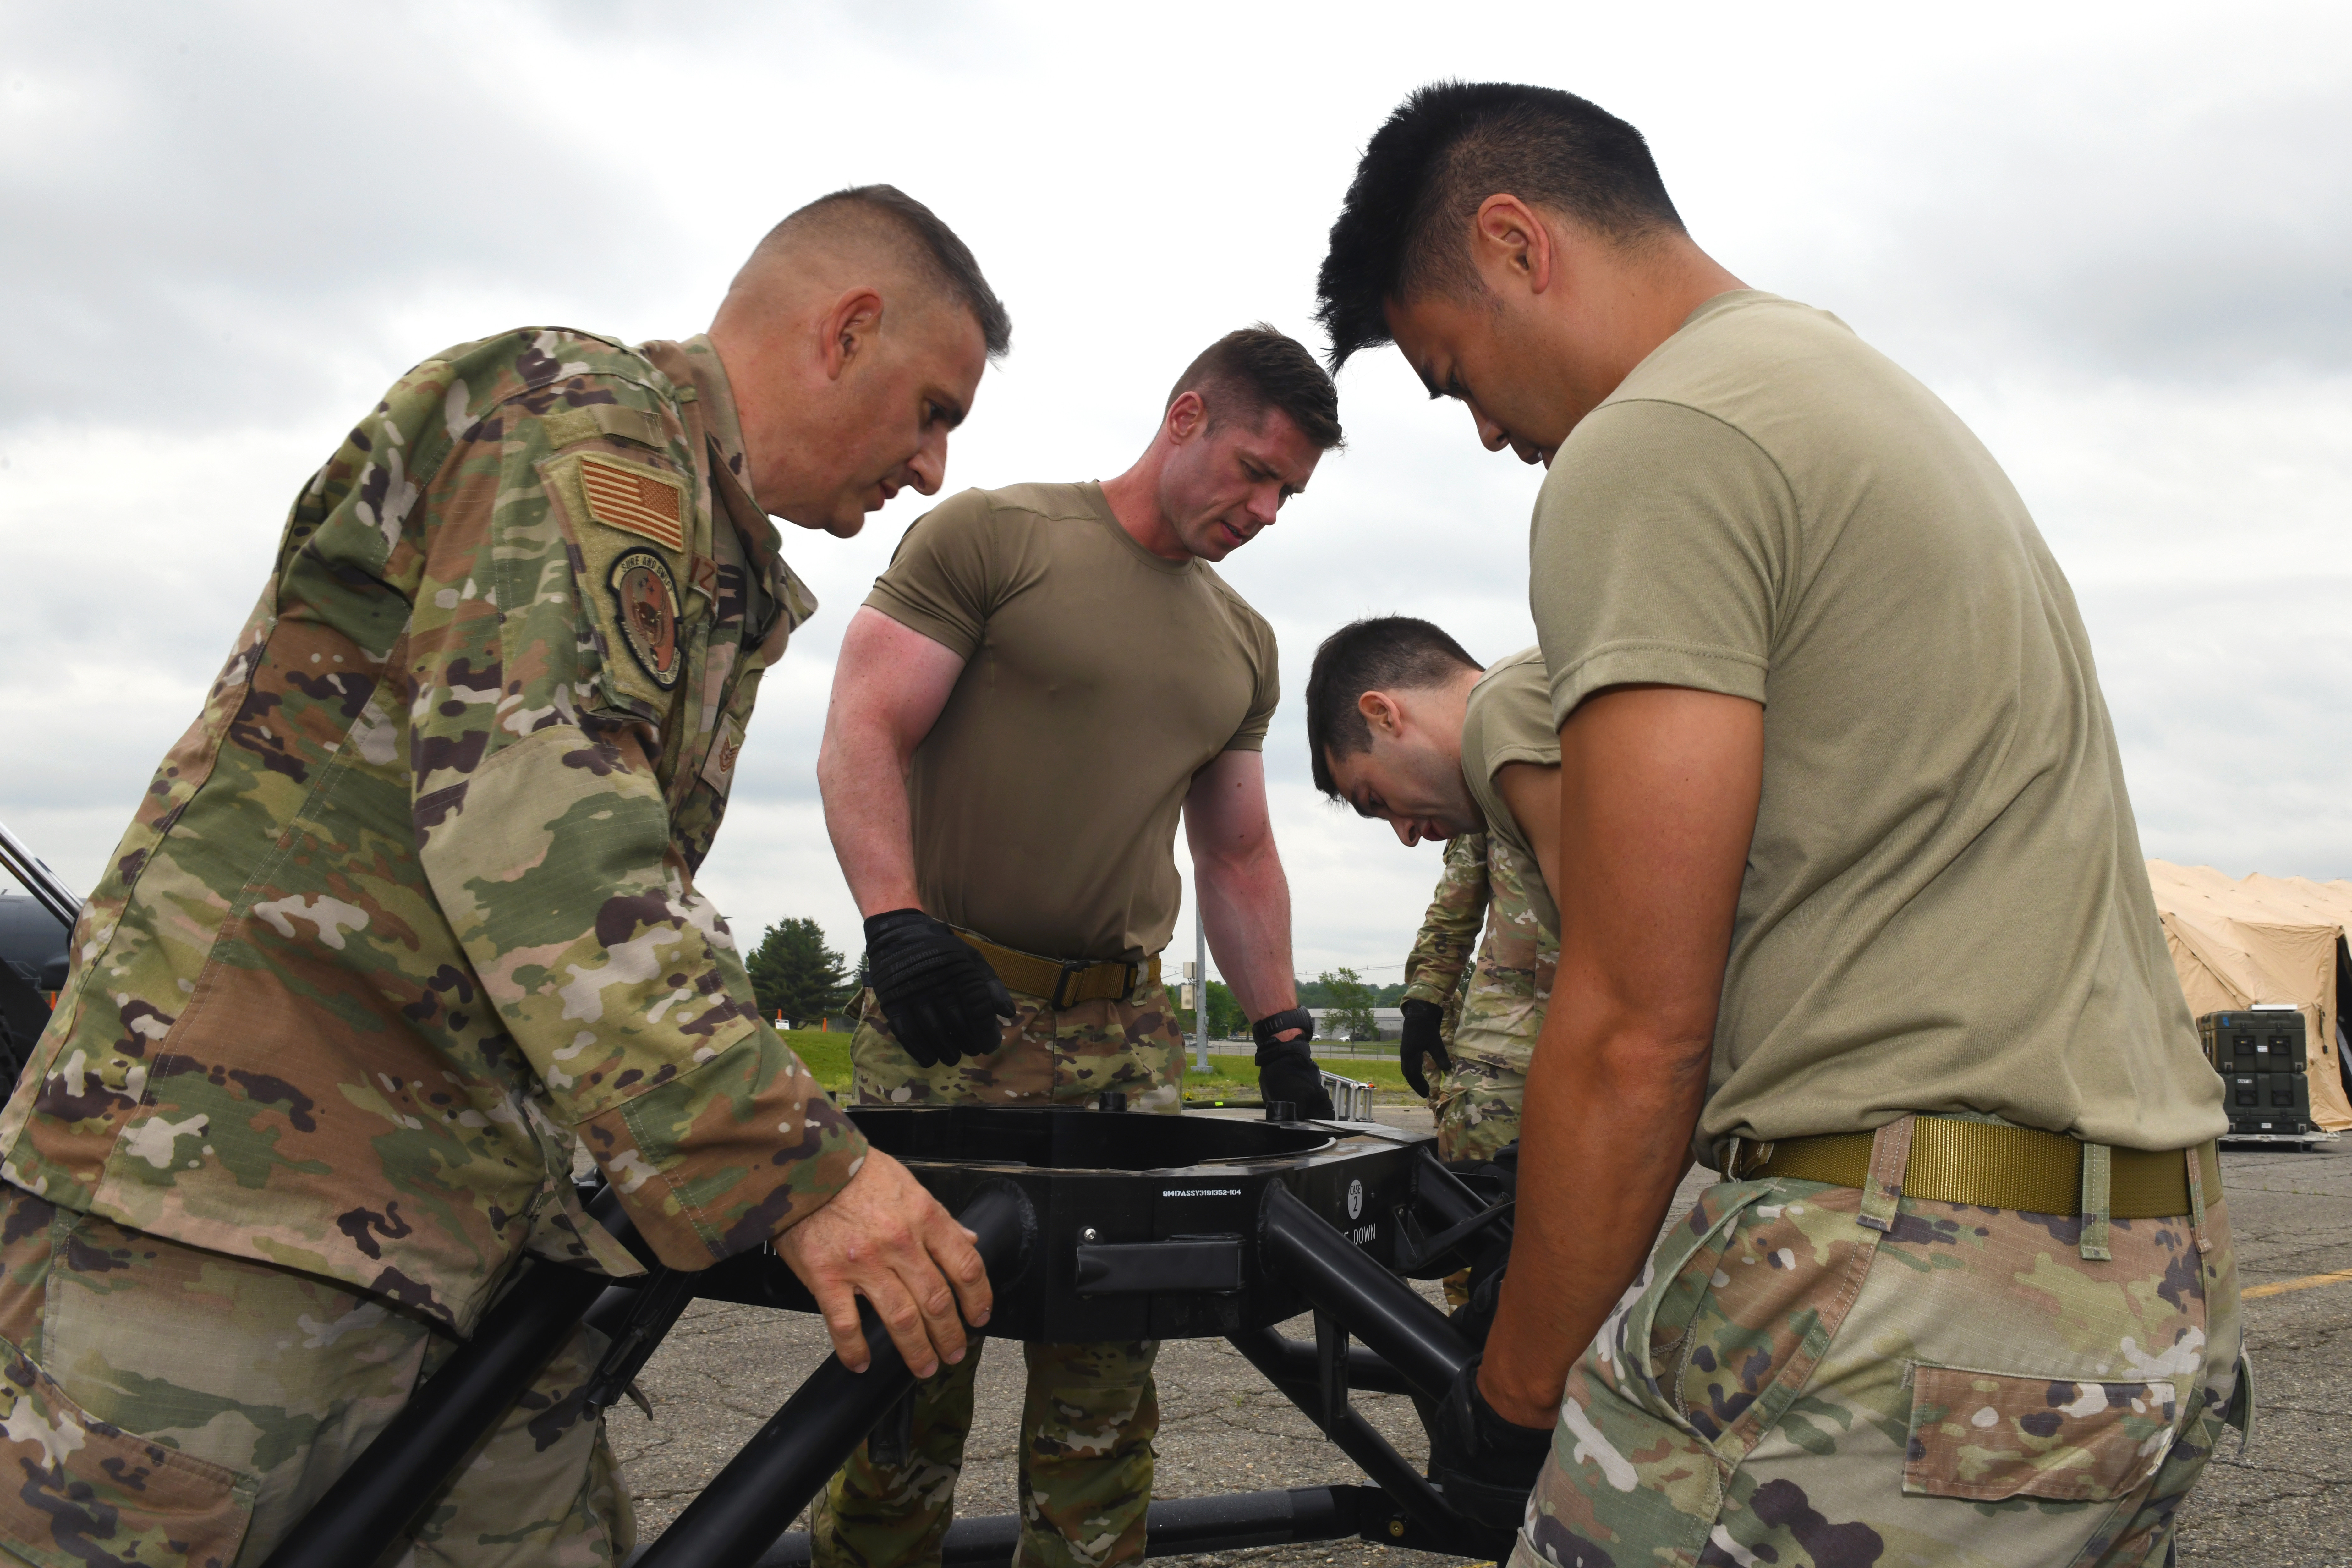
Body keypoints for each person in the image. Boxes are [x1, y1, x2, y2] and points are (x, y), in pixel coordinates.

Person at [0, 186, 1013, 1568]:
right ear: (845, 330)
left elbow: (616, 865)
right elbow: (538, 818)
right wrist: (793, 1166)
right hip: (227, 1202)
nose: (932, 465)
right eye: (930, 408)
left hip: (447, 1219)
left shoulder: (691, 531)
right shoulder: (581, 425)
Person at [1316, 81, 2242, 1564]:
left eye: (1452, 373)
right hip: (2142, 1273)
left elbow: (1633, 1018)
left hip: (1889, 1279)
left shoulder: (1658, 439)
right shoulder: (1847, 392)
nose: (1486, 430)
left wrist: (1512, 1392)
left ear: (1513, 244)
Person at [813, 325, 1342, 1567]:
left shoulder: (1242, 641)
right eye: (1253, 471)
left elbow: (1235, 854)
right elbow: (862, 728)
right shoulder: (994, 538)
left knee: (1101, 1382)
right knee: (906, 1368)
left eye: (1288, 493)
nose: (1264, 509)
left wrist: (1282, 1038)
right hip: (948, 1004)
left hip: (1122, 1040)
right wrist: (895, 921)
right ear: (1184, 416)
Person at [1313, 620, 1559, 1176]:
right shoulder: (1470, 794)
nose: (1405, 834)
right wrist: (1425, 998)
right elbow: (1454, 907)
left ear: (1385, 714)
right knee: (1478, 1194)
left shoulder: (1521, 716)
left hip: (1583, 1023)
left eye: (1376, 798)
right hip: (1507, 1023)